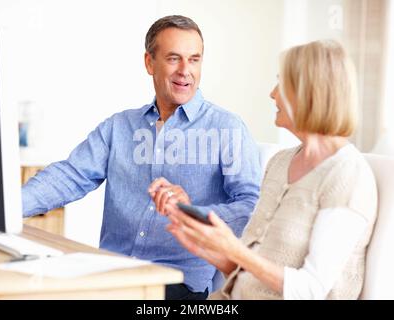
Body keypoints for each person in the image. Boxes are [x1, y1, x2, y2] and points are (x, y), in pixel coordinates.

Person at [21, 15, 261, 300]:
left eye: (194, 60)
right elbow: (69, 176)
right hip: (111, 273)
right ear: (149, 62)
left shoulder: (226, 128)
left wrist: (193, 213)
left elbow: (251, 207)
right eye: (174, 59)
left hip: (177, 283)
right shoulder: (119, 126)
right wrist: (7, 210)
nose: (186, 71)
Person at [165, 40, 378, 300]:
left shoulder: (347, 176)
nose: (272, 93)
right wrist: (208, 247)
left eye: (281, 83)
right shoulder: (281, 162)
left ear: (309, 92)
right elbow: (249, 272)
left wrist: (235, 249)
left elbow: (311, 290)